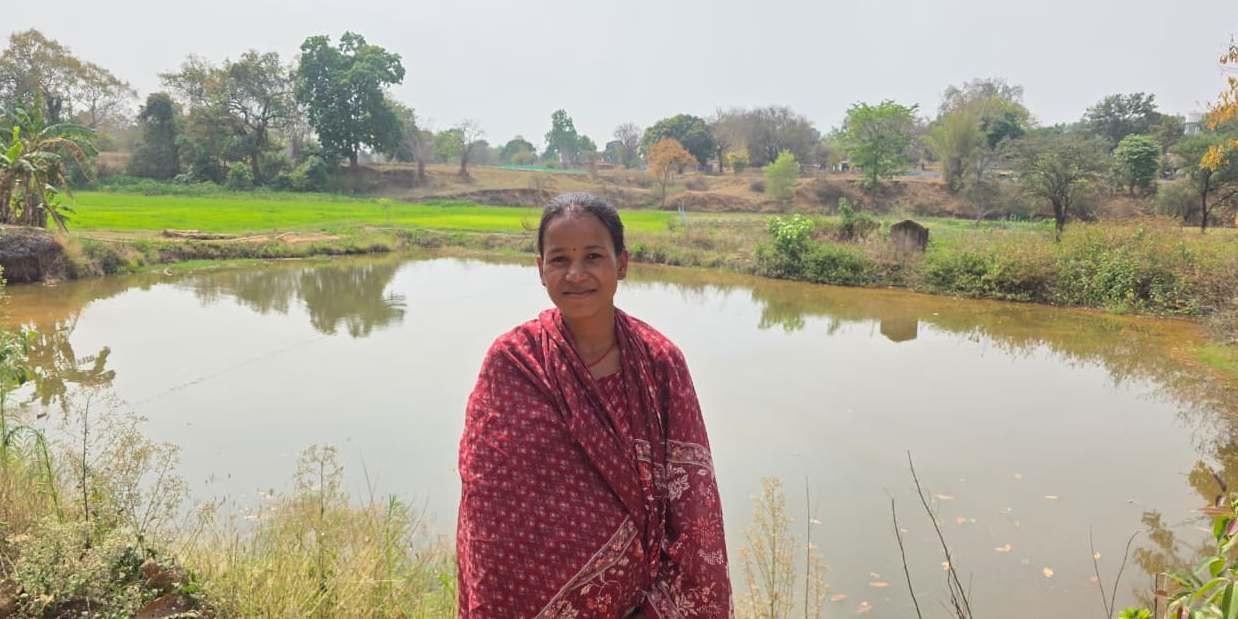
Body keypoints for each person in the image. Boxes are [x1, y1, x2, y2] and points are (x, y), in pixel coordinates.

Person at [457, 192, 732, 618]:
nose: (576, 274)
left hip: (641, 605)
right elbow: (488, 506)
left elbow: (692, 501)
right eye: (560, 259)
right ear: (540, 269)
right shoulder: (513, 361)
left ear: (621, 263)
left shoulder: (659, 363)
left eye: (592, 256)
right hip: (524, 602)